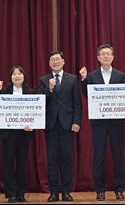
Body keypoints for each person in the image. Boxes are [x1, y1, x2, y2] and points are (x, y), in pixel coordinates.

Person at [79, 44, 125, 202]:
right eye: (103, 54)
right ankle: (100, 190)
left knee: (118, 156)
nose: (106, 56)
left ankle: (119, 190)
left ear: (113, 57)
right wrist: (83, 79)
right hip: (99, 122)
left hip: (116, 122)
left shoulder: (120, 75)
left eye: (108, 54)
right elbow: (87, 95)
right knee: (99, 156)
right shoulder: (91, 76)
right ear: (98, 58)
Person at [38, 50, 82, 202]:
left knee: (67, 160)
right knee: (52, 160)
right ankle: (53, 192)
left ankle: (66, 191)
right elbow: (40, 101)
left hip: (67, 124)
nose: (55, 62)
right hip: (50, 124)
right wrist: (50, 89)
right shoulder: (44, 80)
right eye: (52, 60)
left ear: (63, 61)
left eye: (58, 59)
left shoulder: (72, 79)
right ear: (49, 63)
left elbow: (77, 102)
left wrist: (77, 121)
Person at [0, 66, 35, 203]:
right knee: (8, 164)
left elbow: (36, 112)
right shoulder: (4, 91)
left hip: (24, 133)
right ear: (10, 77)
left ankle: (20, 194)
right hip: (8, 133)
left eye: (19, 73)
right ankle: (11, 194)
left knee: (21, 165)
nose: (17, 76)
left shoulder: (30, 92)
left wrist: (32, 125)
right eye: (14, 74)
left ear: (24, 77)